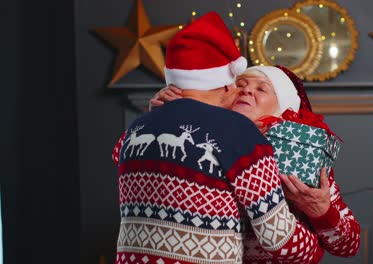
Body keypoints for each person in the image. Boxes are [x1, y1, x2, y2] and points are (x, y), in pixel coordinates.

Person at [112, 12, 326, 264]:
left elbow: (120, 158)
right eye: (237, 83)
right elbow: (278, 237)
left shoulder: (136, 129)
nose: (241, 91)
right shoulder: (237, 131)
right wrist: (316, 249)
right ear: (225, 84)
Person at [150, 65, 361, 262]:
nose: (247, 91)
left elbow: (348, 246)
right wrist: (162, 119)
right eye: (240, 85)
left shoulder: (304, 158)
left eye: (262, 89)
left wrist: (322, 212)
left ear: (284, 106)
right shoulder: (202, 141)